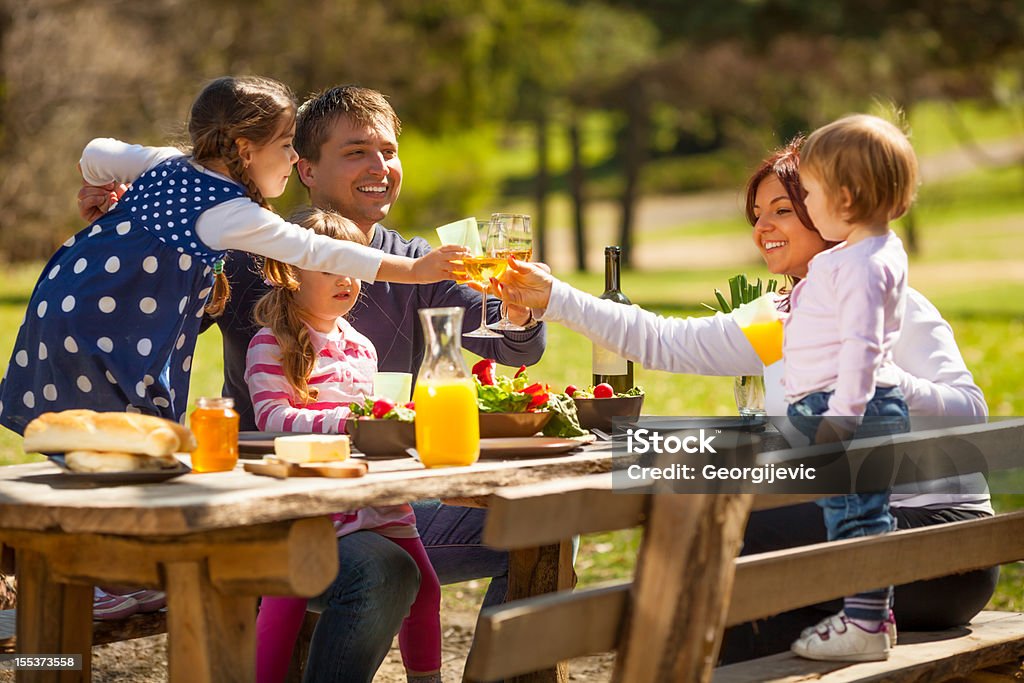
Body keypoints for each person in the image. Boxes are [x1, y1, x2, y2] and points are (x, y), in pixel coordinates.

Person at [78, 84, 538, 681]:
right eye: (356, 152)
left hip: (380, 495)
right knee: (383, 570)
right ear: (304, 167)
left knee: (541, 531)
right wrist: (116, 219)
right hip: (281, 504)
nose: (380, 168)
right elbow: (147, 315)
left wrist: (522, 309)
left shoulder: (420, 266)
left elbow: (511, 344)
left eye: (388, 151)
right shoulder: (253, 257)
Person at [492, 136, 996, 661]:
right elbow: (665, 341)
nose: (762, 228)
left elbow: (971, 409)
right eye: (757, 215)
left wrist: (883, 379)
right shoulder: (780, 316)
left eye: (783, 209)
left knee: (725, 534)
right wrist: (553, 298)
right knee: (728, 580)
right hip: (853, 550)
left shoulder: (890, 303)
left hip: (938, 552)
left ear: (833, 209)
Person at [0, 76, 464, 436]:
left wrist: (99, 181)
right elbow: (314, 249)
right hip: (122, 336)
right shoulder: (231, 212)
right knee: (126, 436)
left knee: (81, 435)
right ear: (245, 150)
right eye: (286, 147)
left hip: (67, 304)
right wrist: (415, 270)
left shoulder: (167, 164)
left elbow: (96, 150)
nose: (292, 160)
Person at [247, 208, 441, 683]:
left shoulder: (362, 347)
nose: (346, 280)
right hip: (310, 507)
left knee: (428, 591)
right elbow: (273, 419)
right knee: (285, 597)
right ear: (289, 271)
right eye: (330, 266)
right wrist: (351, 421)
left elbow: (376, 422)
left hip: (376, 501)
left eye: (355, 267)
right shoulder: (270, 344)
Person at [781, 114, 921, 661]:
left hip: (846, 407)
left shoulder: (864, 264)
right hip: (849, 404)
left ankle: (862, 626)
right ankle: (874, 616)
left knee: (855, 516)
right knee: (862, 510)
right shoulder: (867, 252)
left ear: (845, 195)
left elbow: (862, 347)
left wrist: (841, 416)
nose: (807, 204)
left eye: (810, 192)